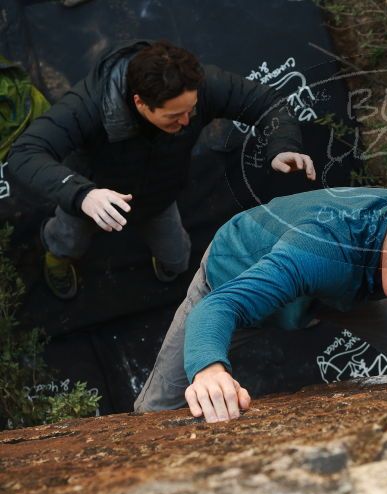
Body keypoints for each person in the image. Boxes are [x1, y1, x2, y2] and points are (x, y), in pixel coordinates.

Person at [134, 168, 387, 422]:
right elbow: (219, 306)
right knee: (156, 411)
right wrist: (208, 369)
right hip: (238, 275)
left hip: (344, 286)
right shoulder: (323, 248)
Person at [7, 40, 315, 299]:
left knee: (178, 258)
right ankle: (57, 256)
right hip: (92, 195)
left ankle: (168, 263)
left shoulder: (196, 87)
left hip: (159, 193)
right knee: (67, 239)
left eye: (191, 110)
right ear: (140, 103)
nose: (187, 122)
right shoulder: (87, 105)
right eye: (174, 116)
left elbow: (269, 103)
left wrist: (283, 144)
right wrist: (81, 194)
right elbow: (24, 153)